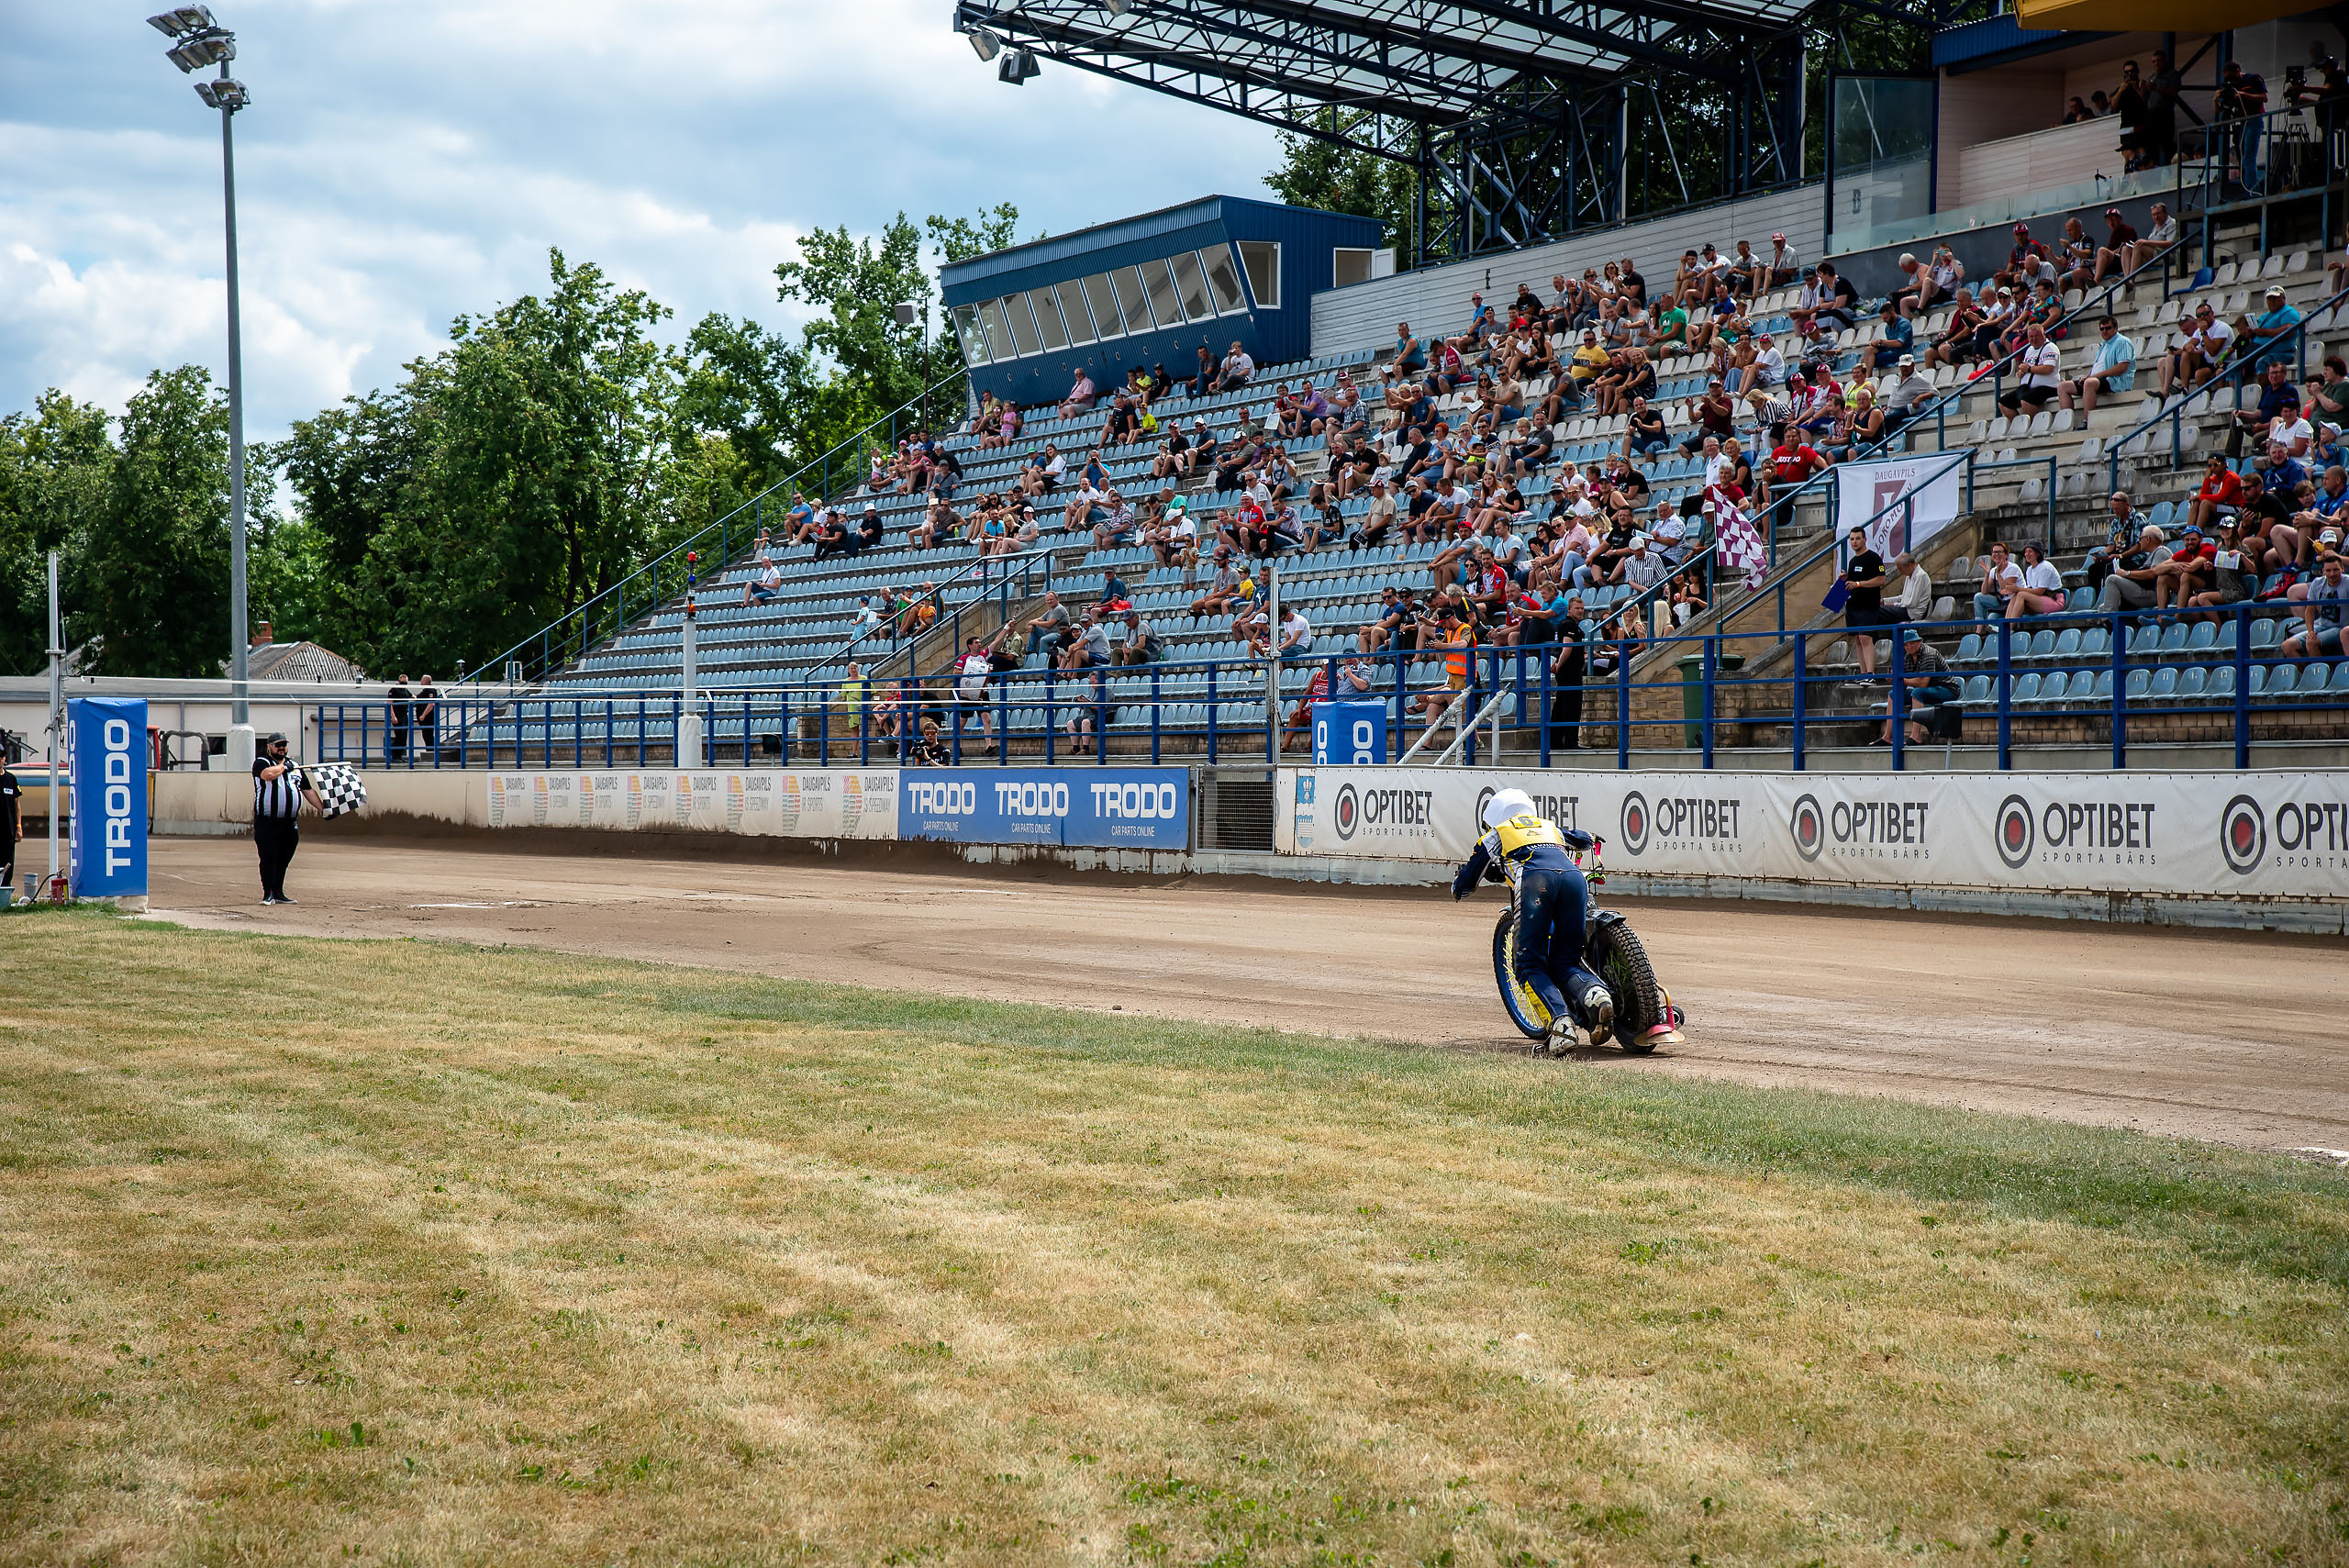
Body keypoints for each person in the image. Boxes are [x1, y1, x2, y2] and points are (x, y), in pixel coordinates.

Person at [1451, 787, 1613, 1057]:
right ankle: (1595, 994)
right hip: (1574, 880)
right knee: (1567, 960)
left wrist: (1458, 887)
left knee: (1528, 964)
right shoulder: (1549, 828)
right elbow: (1582, 838)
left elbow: (1469, 878)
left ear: (1494, 817)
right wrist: (1592, 838)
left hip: (1538, 882)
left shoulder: (1499, 833)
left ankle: (1561, 1029)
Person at [251, 732, 321, 906]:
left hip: (289, 823)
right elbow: (267, 775)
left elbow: (307, 790)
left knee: (284, 858)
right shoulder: (261, 762)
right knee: (268, 857)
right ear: (269, 747)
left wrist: (323, 809)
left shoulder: (295, 766)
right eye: (277, 745)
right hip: (267, 822)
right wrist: (284, 767)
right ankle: (267, 893)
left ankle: (278, 892)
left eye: (284, 744)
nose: (281, 748)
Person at [2057, 316, 2135, 414]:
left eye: (2108, 328)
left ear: (2115, 328)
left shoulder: (2122, 342)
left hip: (2114, 381)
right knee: (2063, 386)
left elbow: (2122, 367)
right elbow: (2098, 365)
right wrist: (2087, 375)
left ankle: (2086, 421)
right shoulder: (2104, 345)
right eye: (2102, 329)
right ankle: (2066, 420)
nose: (2104, 331)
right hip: (2098, 380)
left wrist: (2097, 376)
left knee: (2089, 383)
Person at [0, 753, 19, 896]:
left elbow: (17, 804)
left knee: (8, 866)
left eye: (1, 756)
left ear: (5, 758)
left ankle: (5, 897)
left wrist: (18, 826)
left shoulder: (11, 779)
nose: (0, 760)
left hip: (9, 831)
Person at [384, 673, 411, 763]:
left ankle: (400, 756)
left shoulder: (406, 691)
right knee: (399, 736)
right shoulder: (394, 690)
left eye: (406, 682)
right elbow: (390, 703)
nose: (404, 683)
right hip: (397, 715)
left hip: (404, 715)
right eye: (403, 682)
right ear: (399, 681)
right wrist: (393, 716)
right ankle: (394, 756)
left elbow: (413, 697)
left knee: (404, 737)